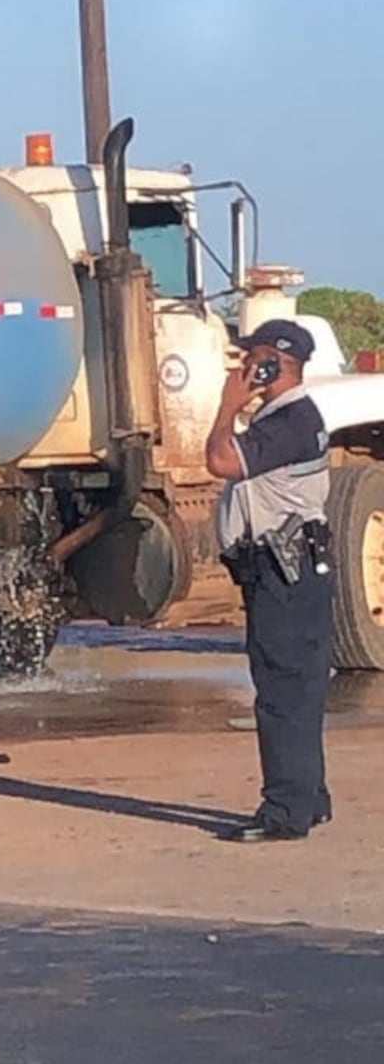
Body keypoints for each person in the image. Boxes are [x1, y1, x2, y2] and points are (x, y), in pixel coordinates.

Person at [205, 317, 333, 843]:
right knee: (298, 688)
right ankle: (310, 797)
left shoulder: (288, 423)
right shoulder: (291, 418)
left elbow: (218, 460)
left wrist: (227, 405)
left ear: (274, 363)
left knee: (282, 692)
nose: (241, 368)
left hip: (285, 573)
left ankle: (285, 811)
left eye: (251, 359)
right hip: (293, 570)